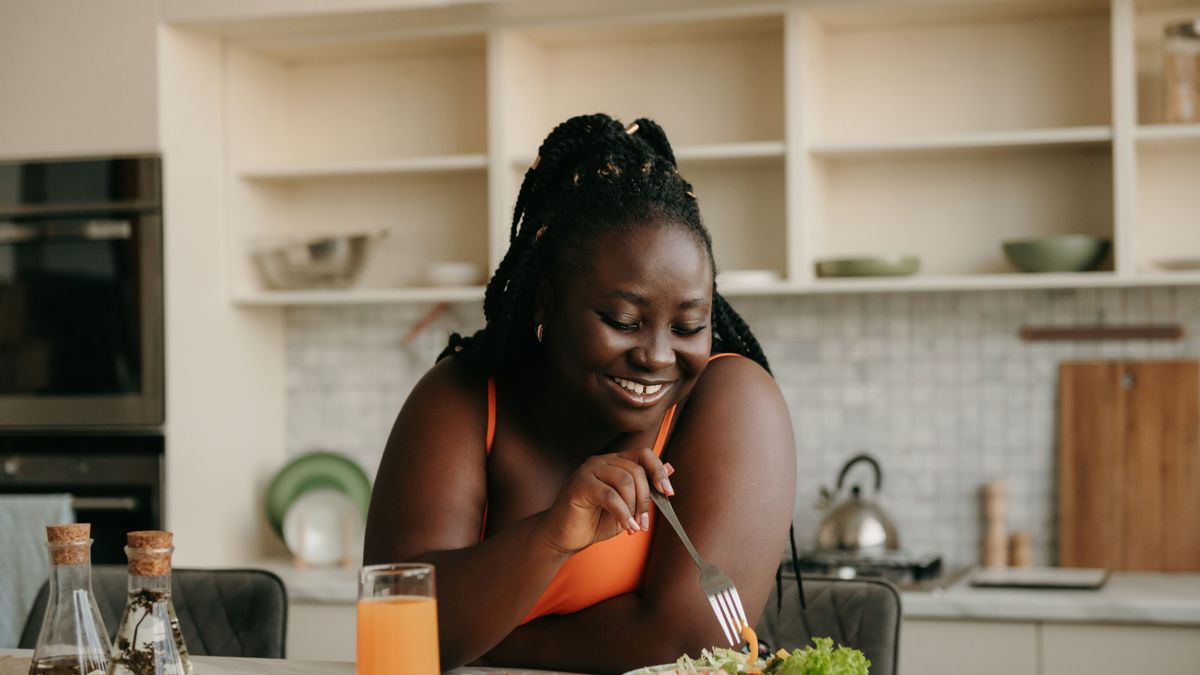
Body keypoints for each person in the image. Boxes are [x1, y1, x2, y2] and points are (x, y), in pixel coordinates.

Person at [364, 113, 796, 673]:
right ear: (545, 304)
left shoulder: (733, 401)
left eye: (688, 326)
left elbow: (689, 645)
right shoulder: (464, 396)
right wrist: (548, 538)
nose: (658, 356)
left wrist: (495, 643)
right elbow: (400, 627)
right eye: (622, 319)